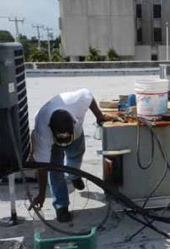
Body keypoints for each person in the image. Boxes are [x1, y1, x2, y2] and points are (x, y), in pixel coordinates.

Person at [29, 88, 113, 222]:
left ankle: (73, 175)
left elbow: (89, 96)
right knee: (55, 170)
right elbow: (43, 167)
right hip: (51, 142)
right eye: (60, 140)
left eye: (66, 139)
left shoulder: (77, 101)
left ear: (73, 123)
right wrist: (41, 194)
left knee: (76, 153)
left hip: (77, 136)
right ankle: (61, 206)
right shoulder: (43, 131)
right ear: (50, 128)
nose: (63, 144)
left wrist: (99, 116)